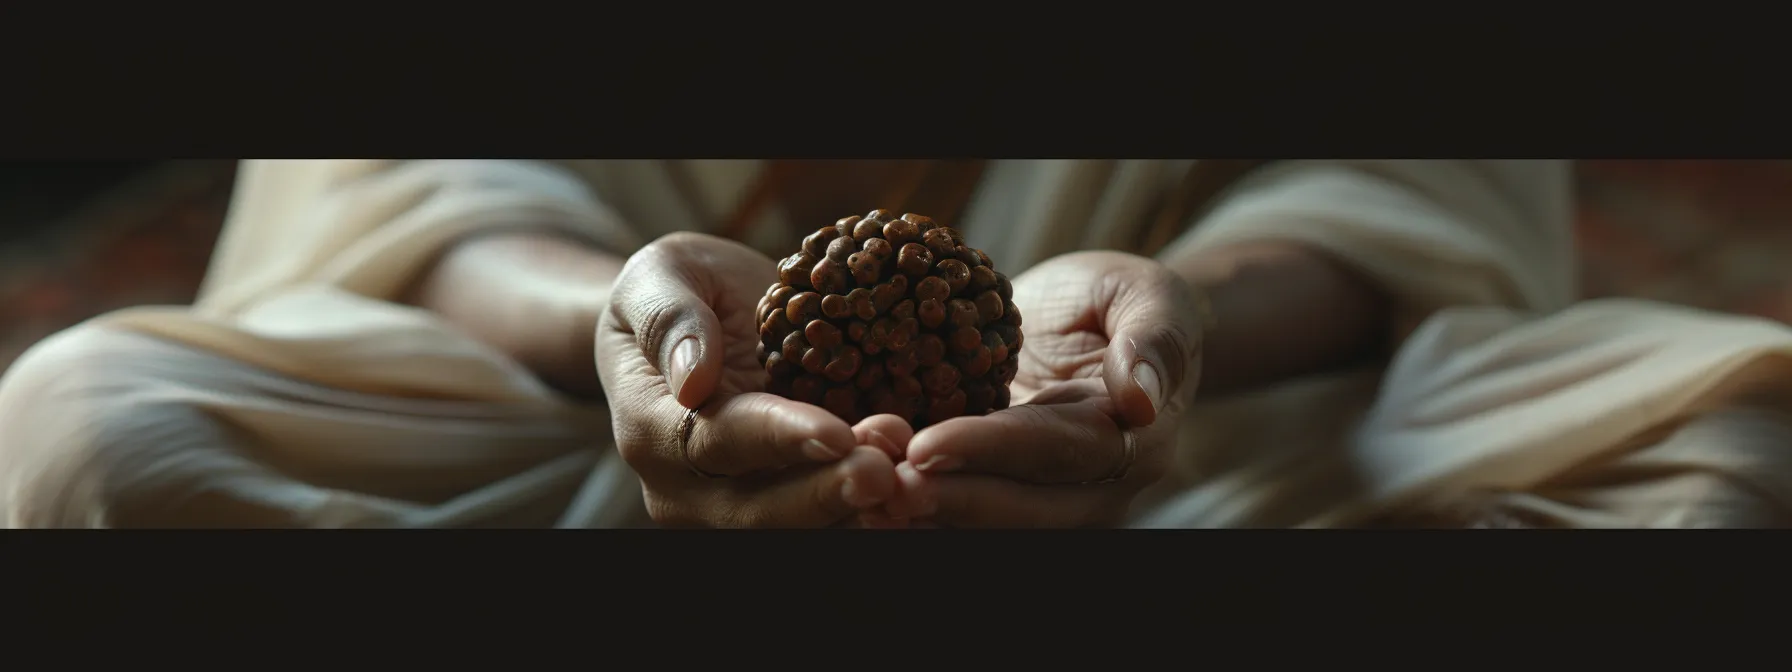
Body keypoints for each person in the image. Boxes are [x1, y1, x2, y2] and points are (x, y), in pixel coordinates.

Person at [3, 159, 1790, 528]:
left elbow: (1414, 147)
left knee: (1732, 463)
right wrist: (626, 321)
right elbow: (412, 162)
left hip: (1204, 437)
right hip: (597, 432)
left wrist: (1182, 333)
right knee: (90, 434)